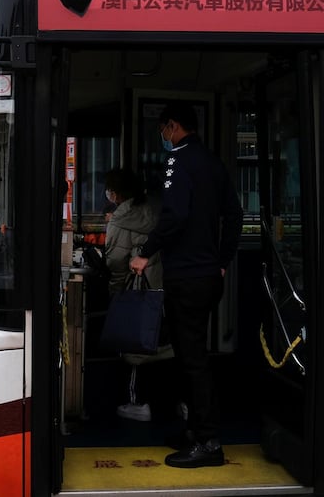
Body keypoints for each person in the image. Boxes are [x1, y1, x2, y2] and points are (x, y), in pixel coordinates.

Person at [130, 102, 243, 468]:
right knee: (194, 357)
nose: (163, 137)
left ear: (174, 127)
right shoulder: (212, 162)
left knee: (191, 361)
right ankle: (195, 430)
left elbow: (174, 214)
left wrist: (145, 252)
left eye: (163, 130)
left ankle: (208, 441)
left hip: (187, 276)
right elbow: (235, 215)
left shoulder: (178, 160)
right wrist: (223, 261)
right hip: (209, 277)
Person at [103, 168, 167, 423]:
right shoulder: (160, 207)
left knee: (136, 346)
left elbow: (116, 261)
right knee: (168, 343)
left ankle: (138, 402)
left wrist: (115, 292)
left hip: (139, 287)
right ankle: (181, 402)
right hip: (167, 285)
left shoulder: (121, 218)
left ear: (115, 194)